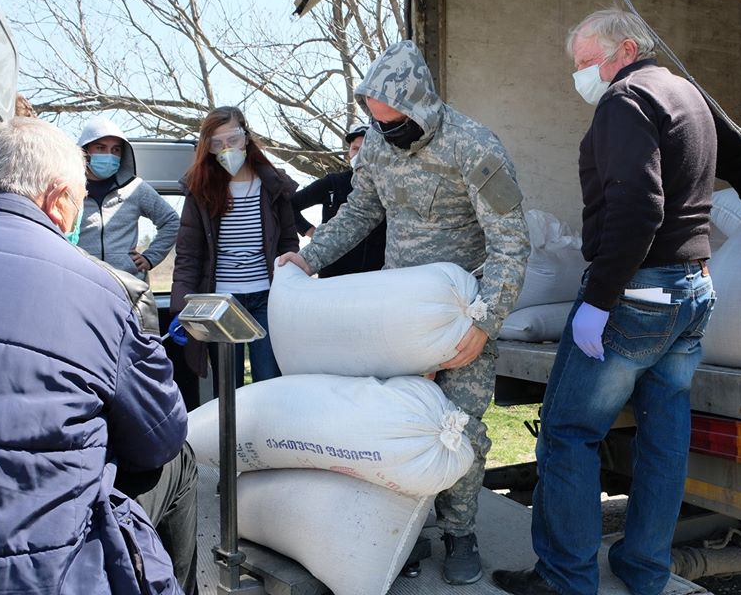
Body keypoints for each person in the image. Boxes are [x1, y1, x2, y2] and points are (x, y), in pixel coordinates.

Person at [0, 117, 197, 594]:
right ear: (57, 200)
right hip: (39, 574)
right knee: (180, 460)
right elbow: (161, 437)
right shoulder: (103, 294)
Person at [278, 40, 531, 585]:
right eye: (377, 123)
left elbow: (511, 242)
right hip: (395, 316)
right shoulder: (375, 144)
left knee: (459, 426)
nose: (386, 134)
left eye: (395, 125)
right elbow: (360, 212)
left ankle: (460, 530)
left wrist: (485, 322)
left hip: (460, 315)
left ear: (422, 107)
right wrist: (309, 258)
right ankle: (405, 527)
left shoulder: (474, 146)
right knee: (394, 422)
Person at [492, 10, 717, 595]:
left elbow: (639, 206)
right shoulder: (687, 94)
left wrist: (599, 298)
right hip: (692, 288)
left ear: (626, 50)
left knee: (569, 431)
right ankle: (644, 568)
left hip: (636, 292)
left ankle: (565, 578)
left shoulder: (625, 98)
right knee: (663, 438)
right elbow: (740, 165)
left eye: (588, 62)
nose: (581, 76)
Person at [171, 106, 299, 394]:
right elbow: (188, 255)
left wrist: (291, 284)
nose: (226, 148)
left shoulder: (273, 185)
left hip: (267, 297)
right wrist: (181, 309)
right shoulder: (200, 189)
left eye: (233, 139)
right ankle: (233, 427)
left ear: (246, 137)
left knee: (269, 381)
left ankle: (266, 426)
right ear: (207, 147)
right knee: (228, 387)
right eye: (217, 143)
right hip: (221, 302)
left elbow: (289, 243)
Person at [76, 116, 181, 280]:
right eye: (101, 148)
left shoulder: (135, 188)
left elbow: (171, 221)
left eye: (116, 150)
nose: (109, 155)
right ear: (85, 151)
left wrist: (150, 258)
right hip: (84, 281)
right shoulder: (70, 190)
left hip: (129, 284)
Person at [291, 123, 386, 277]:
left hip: (377, 275)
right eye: (355, 149)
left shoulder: (388, 185)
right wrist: (311, 232)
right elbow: (289, 204)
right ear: (349, 152)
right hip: (333, 275)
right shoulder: (333, 183)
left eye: (366, 149)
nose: (360, 154)